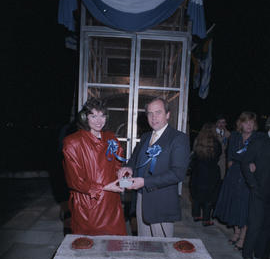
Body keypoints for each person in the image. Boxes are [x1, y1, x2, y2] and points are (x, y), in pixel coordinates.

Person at [118, 98, 190, 237]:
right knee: (144, 244)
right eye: (150, 113)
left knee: (162, 248)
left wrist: (145, 182)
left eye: (158, 112)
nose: (153, 117)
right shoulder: (145, 136)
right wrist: (129, 168)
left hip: (161, 202)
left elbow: (178, 174)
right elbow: (135, 159)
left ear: (168, 114)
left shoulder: (178, 138)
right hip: (141, 198)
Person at [62, 98, 127, 236]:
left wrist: (121, 173)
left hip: (111, 202)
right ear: (85, 118)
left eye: (102, 115)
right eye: (94, 116)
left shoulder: (111, 138)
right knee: (87, 246)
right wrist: (103, 187)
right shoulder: (72, 143)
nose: (99, 121)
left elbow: (116, 165)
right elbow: (74, 181)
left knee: (113, 245)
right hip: (89, 204)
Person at [214, 111, 259, 250]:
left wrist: (255, 164)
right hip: (234, 175)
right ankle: (236, 233)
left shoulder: (257, 139)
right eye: (246, 122)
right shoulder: (235, 136)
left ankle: (242, 238)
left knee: (244, 208)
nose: (249, 125)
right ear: (241, 123)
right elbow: (230, 156)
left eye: (251, 122)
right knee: (233, 205)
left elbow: (260, 157)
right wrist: (230, 165)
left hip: (248, 178)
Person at [241, 116, 270, 259]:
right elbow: (245, 163)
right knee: (256, 223)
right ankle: (247, 253)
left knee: (267, 225)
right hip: (260, 190)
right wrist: (253, 185)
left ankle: (261, 253)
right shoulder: (260, 142)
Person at [190, 123, 222, 226]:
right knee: (209, 196)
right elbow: (219, 155)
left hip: (198, 171)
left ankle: (196, 215)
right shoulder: (216, 143)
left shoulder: (197, 142)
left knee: (196, 194)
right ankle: (206, 219)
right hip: (212, 172)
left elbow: (194, 157)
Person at [215, 114, 231, 179]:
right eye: (219, 122)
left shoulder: (228, 134)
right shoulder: (212, 133)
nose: (221, 124)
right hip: (213, 160)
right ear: (216, 123)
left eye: (223, 122)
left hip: (223, 161)